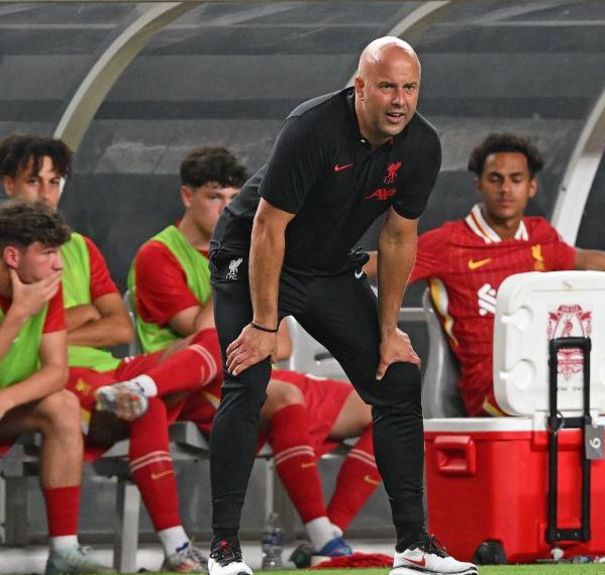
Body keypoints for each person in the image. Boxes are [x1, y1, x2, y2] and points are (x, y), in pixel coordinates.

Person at [206, 37, 474, 575]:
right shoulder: (311, 128)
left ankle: (414, 548)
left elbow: (399, 238)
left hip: (327, 268)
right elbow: (267, 226)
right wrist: (263, 323)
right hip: (253, 255)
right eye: (386, 87)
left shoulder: (421, 145)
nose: (399, 100)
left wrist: (390, 327)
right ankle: (225, 550)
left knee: (396, 377)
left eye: (409, 88)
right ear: (360, 87)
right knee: (249, 378)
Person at [364, 133, 605, 554]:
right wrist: (311, 266)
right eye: (495, 178)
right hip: (497, 388)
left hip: (565, 381)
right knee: (558, 427)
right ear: (478, 183)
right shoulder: (449, 243)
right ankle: (541, 534)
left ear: (531, 186)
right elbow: (382, 264)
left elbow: (583, 259)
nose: (505, 188)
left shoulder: (540, 237)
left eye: (516, 179)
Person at [130, 146, 379, 566]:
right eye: (215, 198)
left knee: (385, 405)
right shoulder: (158, 254)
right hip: (193, 382)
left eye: (234, 199)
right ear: (187, 196)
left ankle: (330, 536)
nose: (228, 208)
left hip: (258, 367)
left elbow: (280, 342)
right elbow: (207, 333)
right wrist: (230, 262)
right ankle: (321, 536)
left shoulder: (256, 247)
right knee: (282, 398)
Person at [1, 134, 219, 571]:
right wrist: (27, 317)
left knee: (217, 347)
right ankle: (177, 548)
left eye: (56, 182)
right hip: (73, 383)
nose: (47, 193)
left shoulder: (66, 255)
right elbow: (66, 356)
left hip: (101, 376)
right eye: (35, 182)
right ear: (9, 185)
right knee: (281, 400)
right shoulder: (156, 252)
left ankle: (78, 552)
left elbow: (117, 327)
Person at [0, 200, 110, 575]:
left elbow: (56, 370)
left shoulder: (45, 288)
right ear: (12, 256)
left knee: (62, 405)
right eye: (47, 253)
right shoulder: (29, 298)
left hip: (4, 406)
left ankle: (63, 551)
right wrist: (17, 314)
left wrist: (7, 399)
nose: (59, 265)